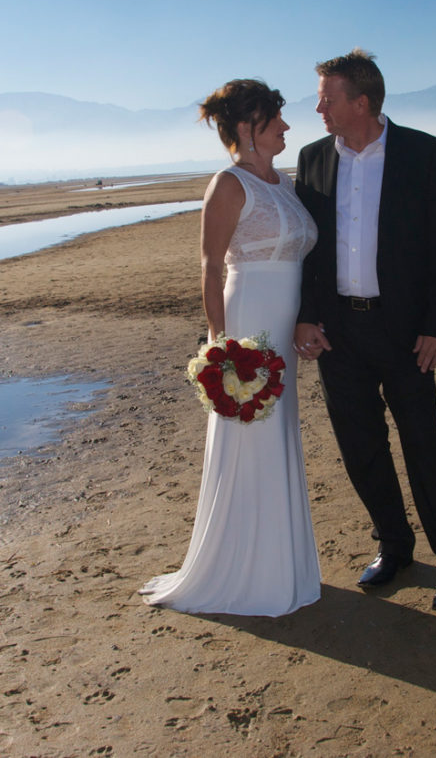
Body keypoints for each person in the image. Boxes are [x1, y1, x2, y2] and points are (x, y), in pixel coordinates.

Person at [294, 49, 436, 610]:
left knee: (424, 443)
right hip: (338, 334)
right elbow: (308, 249)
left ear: (362, 101)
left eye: (327, 97)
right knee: (361, 448)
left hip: (405, 333)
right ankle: (394, 547)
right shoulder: (313, 158)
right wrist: (305, 314)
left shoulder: (423, 151)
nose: (318, 107)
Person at [140, 79, 320, 617]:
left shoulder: (285, 182)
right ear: (247, 127)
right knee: (250, 436)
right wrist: (221, 345)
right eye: (276, 119)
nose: (287, 127)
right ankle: (244, 574)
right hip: (249, 328)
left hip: (284, 328)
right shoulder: (227, 184)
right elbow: (211, 265)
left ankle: (280, 564)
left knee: (278, 434)